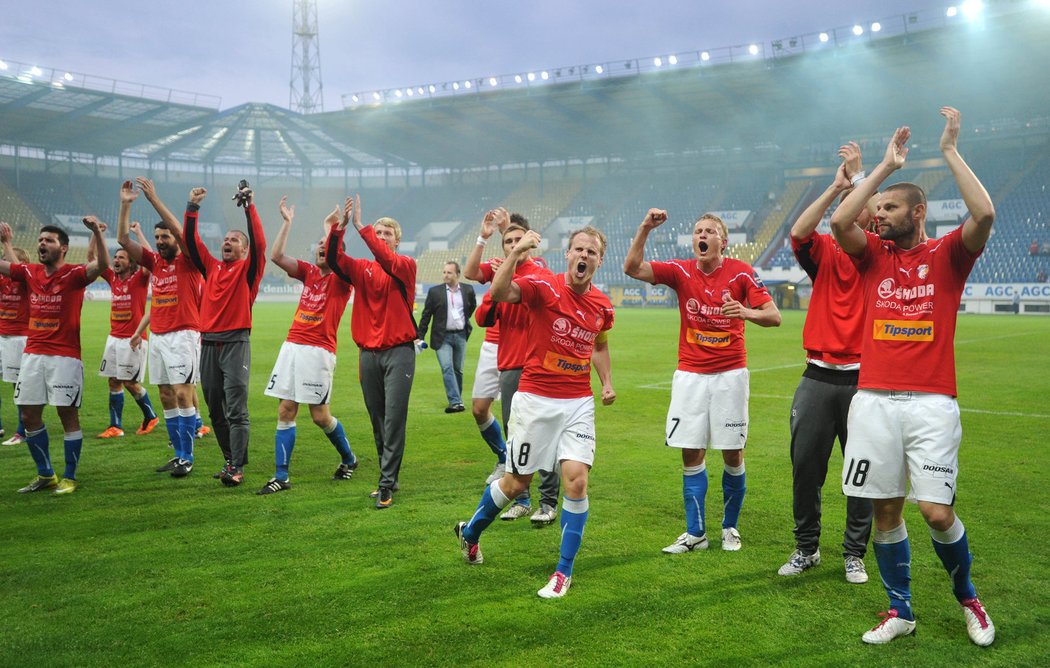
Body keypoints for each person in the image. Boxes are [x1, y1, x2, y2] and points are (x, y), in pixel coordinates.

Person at [829, 108, 995, 646]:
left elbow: (985, 214)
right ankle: (899, 610)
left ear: (918, 211)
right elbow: (838, 223)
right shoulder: (873, 256)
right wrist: (881, 170)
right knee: (884, 506)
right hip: (873, 400)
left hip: (930, 403)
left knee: (935, 509)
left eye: (890, 208)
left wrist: (948, 151)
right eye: (876, 210)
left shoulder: (947, 256)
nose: (878, 217)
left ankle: (969, 598)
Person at [454, 226, 615, 599]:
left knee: (576, 480)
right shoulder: (544, 287)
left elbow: (599, 346)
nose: (584, 256)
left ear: (599, 260)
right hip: (535, 400)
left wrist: (605, 381)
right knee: (516, 484)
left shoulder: (603, 306)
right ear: (568, 255)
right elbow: (497, 292)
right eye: (578, 249)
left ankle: (563, 572)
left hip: (578, 403)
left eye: (591, 252)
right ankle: (471, 533)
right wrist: (517, 251)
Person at [624, 209, 781, 554]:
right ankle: (695, 534)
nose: (702, 235)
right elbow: (632, 268)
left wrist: (745, 312)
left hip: (730, 375)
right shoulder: (680, 271)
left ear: (723, 242)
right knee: (690, 451)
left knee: (732, 452)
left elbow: (774, 315)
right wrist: (644, 227)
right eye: (698, 231)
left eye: (709, 231)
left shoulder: (741, 273)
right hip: (691, 376)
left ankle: (730, 528)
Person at [778, 143, 874, 583]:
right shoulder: (824, 254)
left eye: (861, 202)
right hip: (817, 376)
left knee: (862, 471)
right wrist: (836, 184)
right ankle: (806, 548)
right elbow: (797, 232)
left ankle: (854, 552)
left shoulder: (880, 258)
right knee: (806, 468)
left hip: (865, 381)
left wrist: (864, 180)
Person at [465, 210, 561, 524]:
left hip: (536, 367)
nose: (513, 245)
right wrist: (498, 282)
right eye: (508, 241)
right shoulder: (501, 276)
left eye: (518, 240)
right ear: (503, 248)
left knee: (543, 436)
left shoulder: (541, 274)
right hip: (508, 366)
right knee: (514, 437)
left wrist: (504, 279)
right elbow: (482, 318)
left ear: (529, 244)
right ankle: (521, 498)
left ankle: (548, 503)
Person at [257, 198, 357, 494]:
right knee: (286, 410)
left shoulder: (342, 280)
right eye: (319, 248)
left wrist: (334, 228)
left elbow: (336, 254)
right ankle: (281, 476)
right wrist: (287, 223)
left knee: (319, 416)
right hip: (292, 346)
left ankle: (349, 459)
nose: (321, 251)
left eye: (327, 248)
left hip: (318, 351)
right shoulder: (310, 273)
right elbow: (275, 256)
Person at [1, 218, 108, 494]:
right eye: (40, 240)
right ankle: (46, 474)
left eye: (48, 240)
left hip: (65, 357)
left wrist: (96, 232)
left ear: (63, 248)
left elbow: (103, 266)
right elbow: (5, 266)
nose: (42, 244)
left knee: (67, 416)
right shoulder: (29, 272)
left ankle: (70, 476)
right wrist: (6, 242)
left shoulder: (74, 275)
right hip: (33, 355)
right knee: (28, 416)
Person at [326, 195, 417, 509]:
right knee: (378, 419)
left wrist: (361, 226)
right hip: (368, 353)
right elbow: (335, 260)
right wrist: (338, 230)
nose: (380, 238)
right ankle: (388, 475)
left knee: (393, 419)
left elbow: (385, 258)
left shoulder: (404, 266)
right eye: (377, 233)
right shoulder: (362, 269)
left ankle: (386, 483)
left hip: (399, 352)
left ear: (397, 240)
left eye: (386, 233)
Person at [183, 182, 266, 486]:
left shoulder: (249, 270)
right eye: (226, 239)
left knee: (236, 408)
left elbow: (259, 242)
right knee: (215, 408)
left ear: (244, 250)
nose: (228, 242)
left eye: (235, 240)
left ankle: (238, 467)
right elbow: (191, 244)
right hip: (208, 344)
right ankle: (230, 460)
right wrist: (192, 208)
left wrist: (249, 207)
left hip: (235, 343)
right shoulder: (212, 267)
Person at [118, 178, 202, 478]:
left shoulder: (190, 261)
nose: (160, 241)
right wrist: (126, 205)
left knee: (183, 394)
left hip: (184, 334)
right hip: (160, 336)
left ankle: (189, 456)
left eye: (164, 236)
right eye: (156, 237)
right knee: (166, 394)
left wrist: (153, 198)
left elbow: (181, 232)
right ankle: (178, 454)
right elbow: (123, 241)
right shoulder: (155, 263)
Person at [89, 222, 159, 439]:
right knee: (113, 381)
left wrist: (138, 233)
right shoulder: (112, 278)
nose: (116, 260)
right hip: (114, 338)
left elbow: (149, 258)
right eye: (116, 257)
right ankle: (115, 426)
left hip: (133, 339)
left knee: (130, 382)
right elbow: (92, 257)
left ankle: (150, 416)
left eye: (122, 257)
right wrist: (95, 233)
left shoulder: (139, 279)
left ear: (131, 263)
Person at [417, 261, 476, 413]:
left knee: (458, 370)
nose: (445, 275)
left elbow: (471, 307)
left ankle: (458, 399)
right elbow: (426, 315)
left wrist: (462, 320)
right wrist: (420, 336)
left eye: (449, 272)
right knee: (447, 368)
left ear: (457, 274)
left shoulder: (468, 290)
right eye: (444, 272)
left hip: (461, 335)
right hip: (442, 337)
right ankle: (455, 402)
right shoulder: (435, 292)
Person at [0, 229, 29, 447]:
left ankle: (23, 430)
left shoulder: (28, 281)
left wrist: (7, 244)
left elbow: (19, 270)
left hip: (20, 338)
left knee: (19, 386)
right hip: (2, 336)